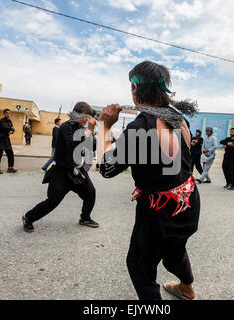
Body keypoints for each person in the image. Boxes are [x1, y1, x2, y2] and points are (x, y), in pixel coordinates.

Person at [98, 61, 200, 300]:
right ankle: (186, 287)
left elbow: (106, 168)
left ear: (135, 88)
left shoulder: (141, 126)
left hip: (159, 211)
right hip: (187, 202)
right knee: (175, 251)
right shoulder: (177, 116)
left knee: (139, 266)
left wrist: (103, 127)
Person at [22, 102, 98, 232]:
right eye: (86, 116)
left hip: (76, 171)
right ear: (77, 114)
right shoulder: (65, 127)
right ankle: (28, 218)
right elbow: (71, 144)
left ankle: (85, 218)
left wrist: (92, 134)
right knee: (52, 202)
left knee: (90, 193)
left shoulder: (83, 130)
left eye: (89, 117)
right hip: (62, 172)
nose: (87, 119)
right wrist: (89, 130)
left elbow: (93, 147)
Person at [0, 109, 17, 174]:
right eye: (7, 113)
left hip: (7, 139)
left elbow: (13, 129)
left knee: (10, 154)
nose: (8, 114)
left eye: (9, 113)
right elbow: (4, 127)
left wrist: (11, 131)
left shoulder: (10, 121)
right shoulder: (2, 120)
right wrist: (10, 129)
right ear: (4, 114)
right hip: (0, 138)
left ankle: (10, 168)